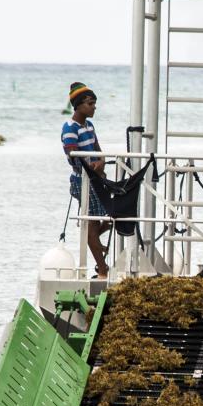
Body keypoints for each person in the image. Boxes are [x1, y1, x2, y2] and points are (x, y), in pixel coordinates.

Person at [60, 82, 110, 277]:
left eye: (94, 103)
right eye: (90, 103)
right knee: (92, 222)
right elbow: (72, 155)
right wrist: (91, 167)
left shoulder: (89, 125)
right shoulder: (70, 128)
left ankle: (96, 244)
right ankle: (102, 266)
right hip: (83, 180)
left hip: (96, 178)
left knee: (109, 218)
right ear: (78, 105)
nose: (93, 107)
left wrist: (101, 162)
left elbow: (98, 149)